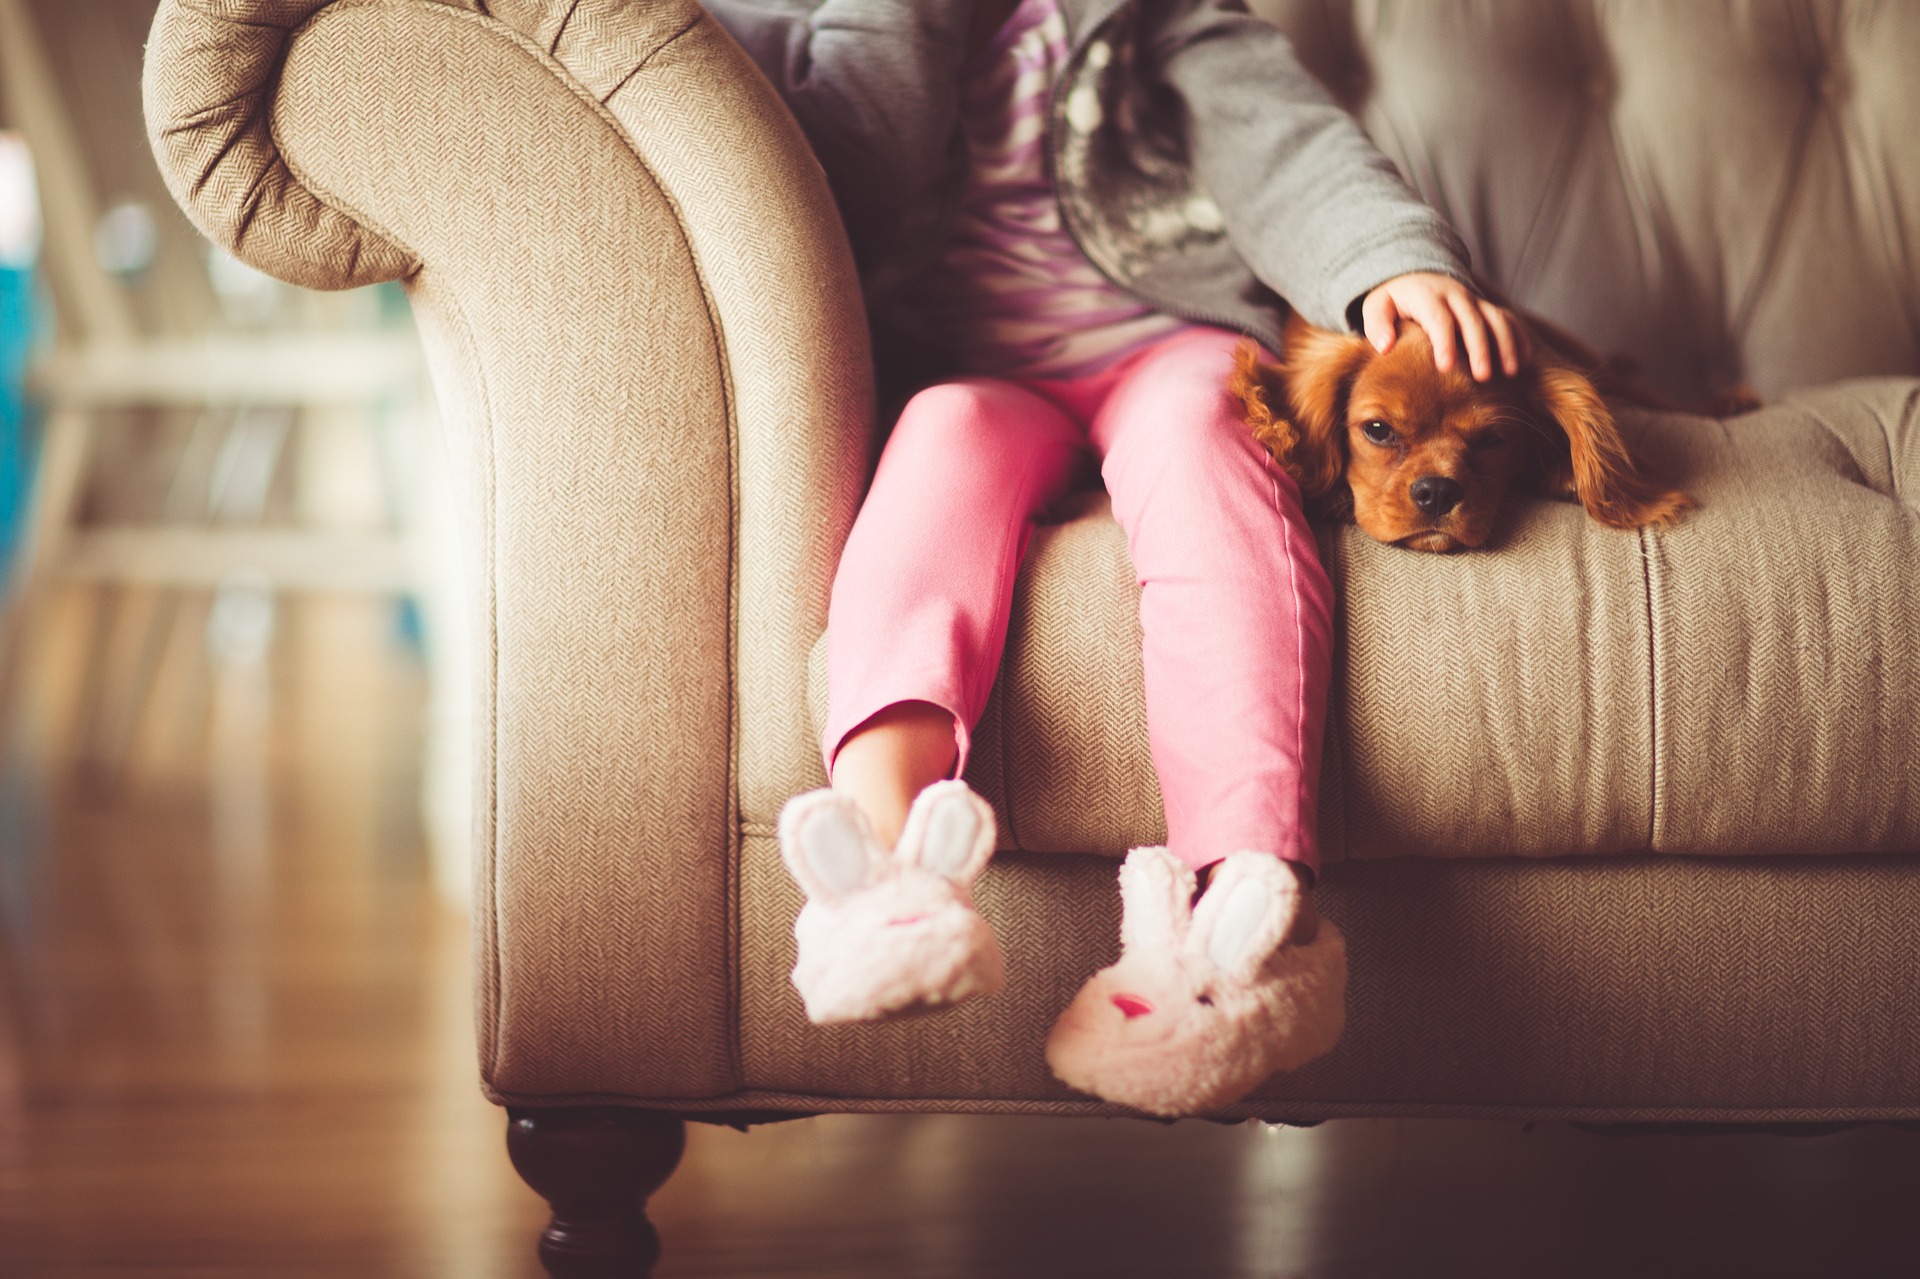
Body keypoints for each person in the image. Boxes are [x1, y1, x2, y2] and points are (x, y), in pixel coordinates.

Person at [706, 0, 1525, 1114]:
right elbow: (846, 172)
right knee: (939, 446)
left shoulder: (1158, 15)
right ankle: (887, 866)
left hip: (1164, 342)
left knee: (1207, 442)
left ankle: (1244, 912)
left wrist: (1384, 263)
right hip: (968, 369)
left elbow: (1283, 143)